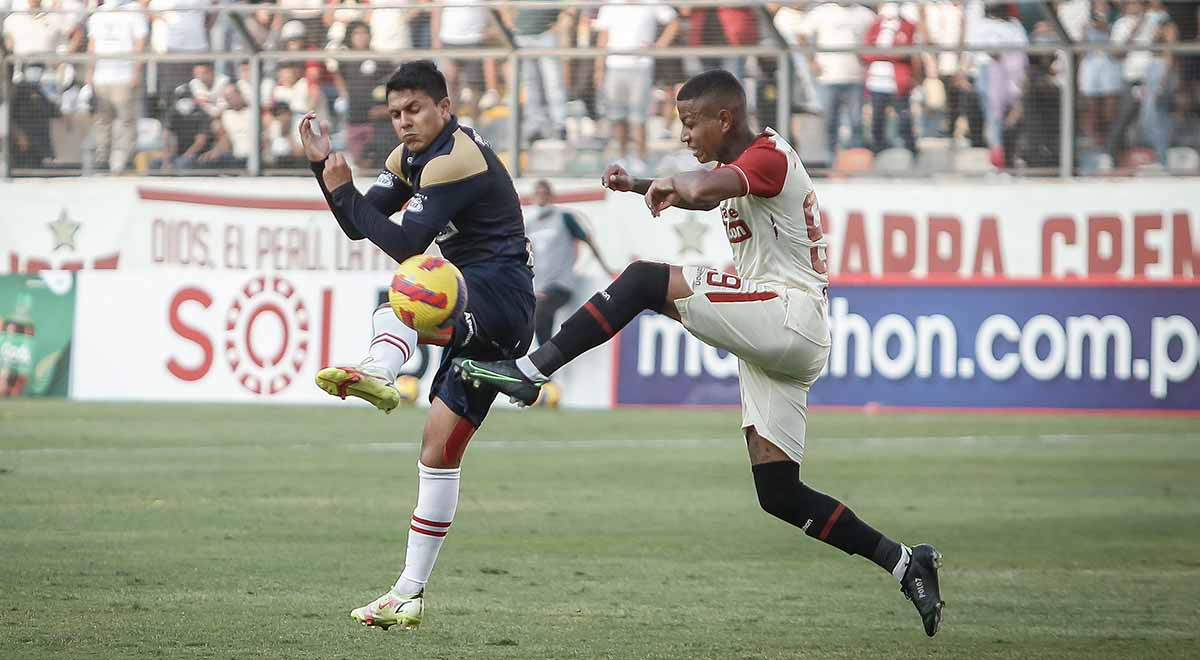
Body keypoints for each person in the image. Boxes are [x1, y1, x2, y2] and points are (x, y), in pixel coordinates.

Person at [454, 69, 945, 637]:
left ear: (724, 119)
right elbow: (704, 192)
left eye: (690, 123)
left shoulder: (768, 158)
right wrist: (642, 185)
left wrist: (667, 182)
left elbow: (703, 189)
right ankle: (908, 562)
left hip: (788, 315)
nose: (684, 134)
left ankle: (529, 370)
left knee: (641, 280)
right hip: (782, 336)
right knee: (779, 494)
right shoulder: (740, 169)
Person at [298, 60, 534, 630]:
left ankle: (382, 366)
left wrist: (345, 191)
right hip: (470, 305)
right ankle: (407, 593)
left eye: (416, 110)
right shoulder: (407, 160)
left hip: (499, 297)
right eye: (396, 113)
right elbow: (360, 224)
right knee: (437, 454)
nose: (405, 123)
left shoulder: (457, 157)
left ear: (444, 109)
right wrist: (321, 172)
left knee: (407, 290)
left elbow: (405, 241)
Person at [524, 179, 615, 347]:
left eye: (545, 193)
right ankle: (542, 358)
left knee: (542, 311)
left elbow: (588, 240)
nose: (541, 196)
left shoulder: (564, 218)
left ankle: (545, 358)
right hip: (539, 286)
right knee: (536, 314)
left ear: (551, 195)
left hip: (561, 284)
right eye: (538, 193)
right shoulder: (529, 224)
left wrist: (606, 268)